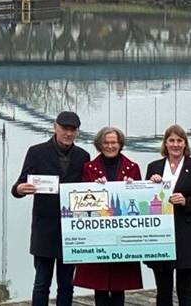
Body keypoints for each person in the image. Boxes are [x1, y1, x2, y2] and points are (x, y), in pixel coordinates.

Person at [12, 111, 91, 306]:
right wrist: (20, 189)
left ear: (78, 132)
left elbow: (89, 189)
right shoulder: (36, 152)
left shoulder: (83, 156)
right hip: (44, 229)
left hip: (72, 231)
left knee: (66, 285)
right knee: (41, 283)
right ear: (55, 127)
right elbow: (20, 185)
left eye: (73, 130)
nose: (69, 134)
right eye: (65, 129)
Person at [146, 124, 191, 306]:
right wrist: (150, 185)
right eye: (171, 140)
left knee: (185, 290)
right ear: (165, 144)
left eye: (179, 140)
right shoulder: (154, 167)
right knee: (163, 290)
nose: (175, 145)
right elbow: (145, 201)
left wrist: (187, 202)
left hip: (188, 235)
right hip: (160, 235)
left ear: (185, 144)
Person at [73, 127, 142, 306]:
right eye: (106, 143)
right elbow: (81, 203)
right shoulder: (88, 168)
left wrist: (133, 187)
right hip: (98, 238)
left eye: (114, 142)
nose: (110, 146)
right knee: (100, 288)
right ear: (99, 145)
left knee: (120, 288)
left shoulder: (133, 168)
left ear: (120, 144)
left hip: (124, 238)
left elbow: (141, 202)